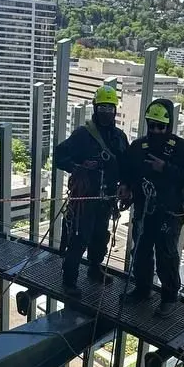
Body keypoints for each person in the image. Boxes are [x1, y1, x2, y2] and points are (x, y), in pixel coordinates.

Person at [118, 98, 184, 315]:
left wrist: (165, 167)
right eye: (152, 126)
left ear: (169, 126)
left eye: (161, 127)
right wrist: (126, 187)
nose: (156, 130)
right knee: (141, 251)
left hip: (169, 212)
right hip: (144, 210)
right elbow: (128, 171)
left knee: (166, 254)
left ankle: (169, 297)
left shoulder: (183, 150)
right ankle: (142, 289)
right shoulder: (138, 147)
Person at [54, 85, 128, 294]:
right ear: (96, 108)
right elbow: (60, 156)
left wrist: (125, 185)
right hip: (85, 199)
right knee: (79, 238)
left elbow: (126, 166)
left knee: (99, 236)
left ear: (115, 110)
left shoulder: (119, 138)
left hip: (106, 198)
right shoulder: (83, 135)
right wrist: (79, 168)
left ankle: (94, 269)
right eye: (103, 108)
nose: (107, 112)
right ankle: (69, 281)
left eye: (110, 108)